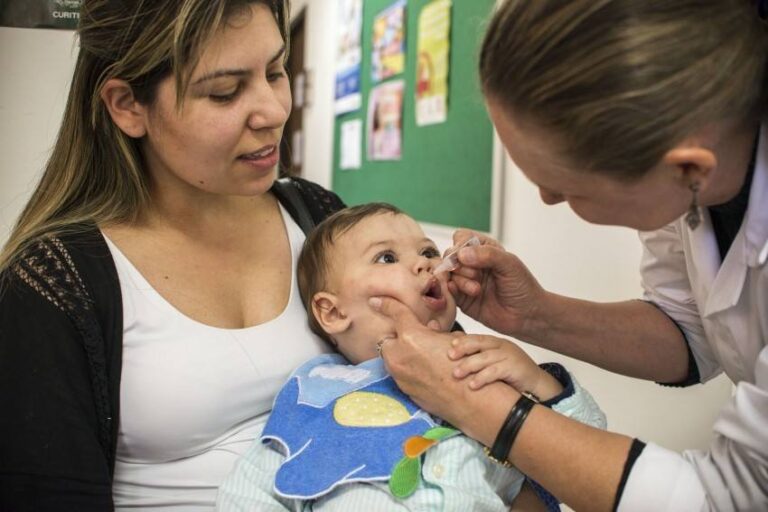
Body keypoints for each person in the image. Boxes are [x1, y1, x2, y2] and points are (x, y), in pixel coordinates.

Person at [369, 1, 768, 511]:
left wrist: (475, 404)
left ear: (689, 169)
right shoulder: (689, 167)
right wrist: (534, 314)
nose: (547, 200)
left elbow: (724, 501)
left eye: (563, 189)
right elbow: (693, 332)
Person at [0, 1, 346, 510]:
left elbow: (433, 387)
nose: (273, 111)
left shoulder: (318, 216)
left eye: (275, 71)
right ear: (127, 105)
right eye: (224, 93)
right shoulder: (53, 284)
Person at [215, 203, 607, 511]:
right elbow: (250, 491)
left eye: (427, 251)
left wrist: (537, 381)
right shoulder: (316, 393)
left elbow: (590, 452)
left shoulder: (480, 363)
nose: (424, 263)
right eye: (386, 258)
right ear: (333, 313)